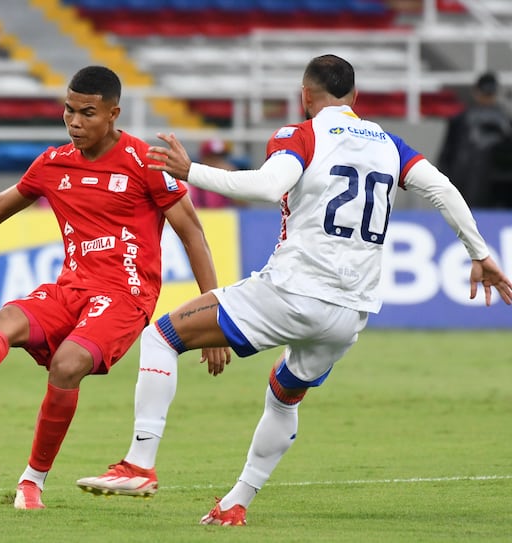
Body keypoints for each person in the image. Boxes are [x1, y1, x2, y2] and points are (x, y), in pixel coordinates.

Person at [76, 54, 512, 526]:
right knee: (284, 393)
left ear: (305, 96)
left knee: (162, 337)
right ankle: (235, 503)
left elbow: (266, 187)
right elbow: (443, 190)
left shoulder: (301, 135)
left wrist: (190, 171)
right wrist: (480, 253)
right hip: (350, 312)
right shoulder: (391, 144)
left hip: (293, 291)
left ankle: (139, 463)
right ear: (355, 98)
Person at [0, 66, 227, 510]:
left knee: (67, 364)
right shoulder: (52, 164)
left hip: (125, 296)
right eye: (68, 110)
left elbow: (193, 234)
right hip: (71, 289)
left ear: (113, 114)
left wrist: (217, 319)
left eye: (87, 113)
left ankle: (32, 480)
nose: (74, 122)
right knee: (5, 319)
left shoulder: (144, 162)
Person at [437, 71, 512, 208]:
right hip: (468, 186)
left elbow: (445, 156)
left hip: (495, 190)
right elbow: (446, 155)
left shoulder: (505, 120)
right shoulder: (460, 120)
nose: (487, 98)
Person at [186, 138, 243, 208]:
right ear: (204, 159)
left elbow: (244, 207)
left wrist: (234, 182)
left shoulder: (227, 180)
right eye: (213, 158)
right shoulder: (191, 181)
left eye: (221, 158)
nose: (218, 163)